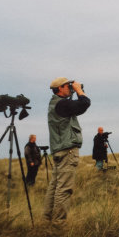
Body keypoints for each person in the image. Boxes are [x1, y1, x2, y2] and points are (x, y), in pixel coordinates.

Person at [43, 77, 91, 224]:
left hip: (58, 150)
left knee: (55, 186)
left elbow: (75, 105)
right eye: (67, 86)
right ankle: (58, 223)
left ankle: (47, 219)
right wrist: (79, 90)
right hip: (67, 151)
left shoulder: (55, 103)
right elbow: (84, 104)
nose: (70, 87)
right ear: (60, 88)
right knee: (64, 189)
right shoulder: (62, 104)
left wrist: (76, 91)